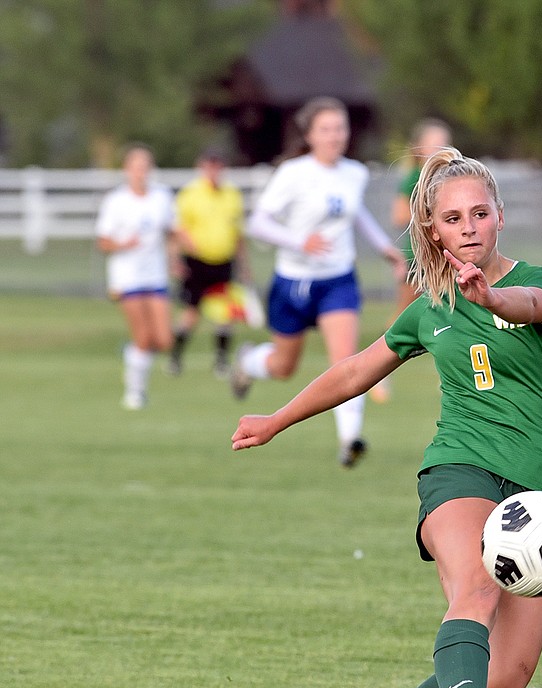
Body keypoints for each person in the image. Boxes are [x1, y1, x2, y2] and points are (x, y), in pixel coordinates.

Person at [231, 147, 542, 688]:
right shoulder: (428, 311)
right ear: (433, 232)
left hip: (538, 494)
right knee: (474, 587)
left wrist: (491, 299)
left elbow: (528, 305)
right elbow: (357, 370)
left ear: (500, 216)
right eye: (452, 218)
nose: (468, 227)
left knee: (506, 679)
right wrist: (276, 419)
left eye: (479, 213)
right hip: (458, 470)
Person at [233, 96, 407, 467]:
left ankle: (350, 439)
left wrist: (384, 248)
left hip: (337, 281)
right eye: (326, 129)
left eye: (340, 127)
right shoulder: (293, 173)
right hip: (292, 284)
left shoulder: (354, 173)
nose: (335, 135)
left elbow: (354, 213)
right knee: (283, 367)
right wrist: (300, 241)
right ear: (310, 135)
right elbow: (258, 223)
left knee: (346, 360)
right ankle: (247, 362)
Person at [370, 118, 452, 403]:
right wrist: (432, 214)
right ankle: (376, 372)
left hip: (447, 255)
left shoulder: (448, 175)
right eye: (434, 141)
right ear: (420, 148)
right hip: (419, 258)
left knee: (453, 310)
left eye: (444, 140)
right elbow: (400, 216)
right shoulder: (413, 177)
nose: (441, 147)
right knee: (404, 315)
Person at [95, 144, 177, 411]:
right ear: (126, 170)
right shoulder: (116, 201)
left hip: (155, 275)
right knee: (143, 337)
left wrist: (177, 260)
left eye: (146, 167)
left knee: (164, 339)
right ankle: (135, 392)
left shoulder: (162, 197)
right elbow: (104, 242)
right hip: (127, 277)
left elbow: (171, 232)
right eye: (136, 167)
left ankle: (131, 355)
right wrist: (124, 244)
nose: (141, 172)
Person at [168, 146, 252, 379]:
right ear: (202, 167)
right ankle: (175, 357)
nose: (214, 171)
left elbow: (237, 233)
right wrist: (176, 259)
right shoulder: (191, 194)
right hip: (197, 261)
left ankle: (221, 360)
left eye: (218, 166)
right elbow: (179, 229)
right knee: (191, 312)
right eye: (210, 165)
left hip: (223, 262)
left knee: (224, 314)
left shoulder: (231, 194)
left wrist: (245, 266)